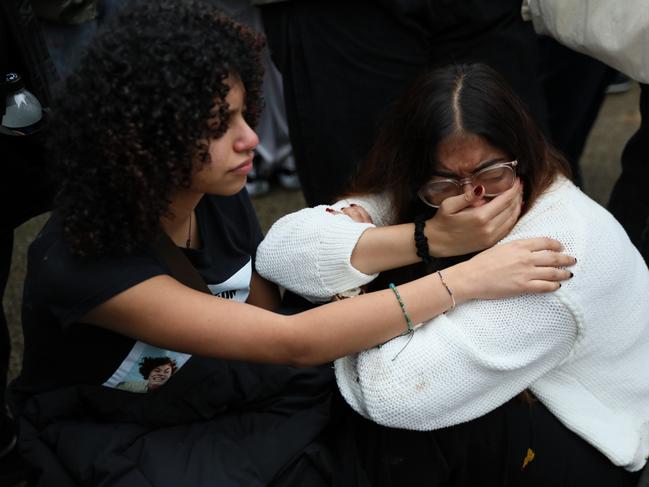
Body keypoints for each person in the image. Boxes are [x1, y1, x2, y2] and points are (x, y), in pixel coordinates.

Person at [7, 3, 576, 486]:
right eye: (217, 126)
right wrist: (465, 277)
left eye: (241, 112)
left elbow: (269, 308)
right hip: (124, 430)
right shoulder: (81, 263)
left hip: (231, 390)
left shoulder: (215, 191)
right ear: (147, 140)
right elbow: (291, 340)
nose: (250, 137)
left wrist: (420, 251)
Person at [256, 63, 649, 485]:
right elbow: (279, 256)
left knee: (414, 433)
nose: (472, 200)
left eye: (491, 174)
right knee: (310, 298)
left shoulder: (556, 255)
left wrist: (344, 303)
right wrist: (432, 244)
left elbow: (393, 394)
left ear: (523, 157)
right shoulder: (431, 202)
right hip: (520, 415)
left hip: (588, 446)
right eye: (446, 181)